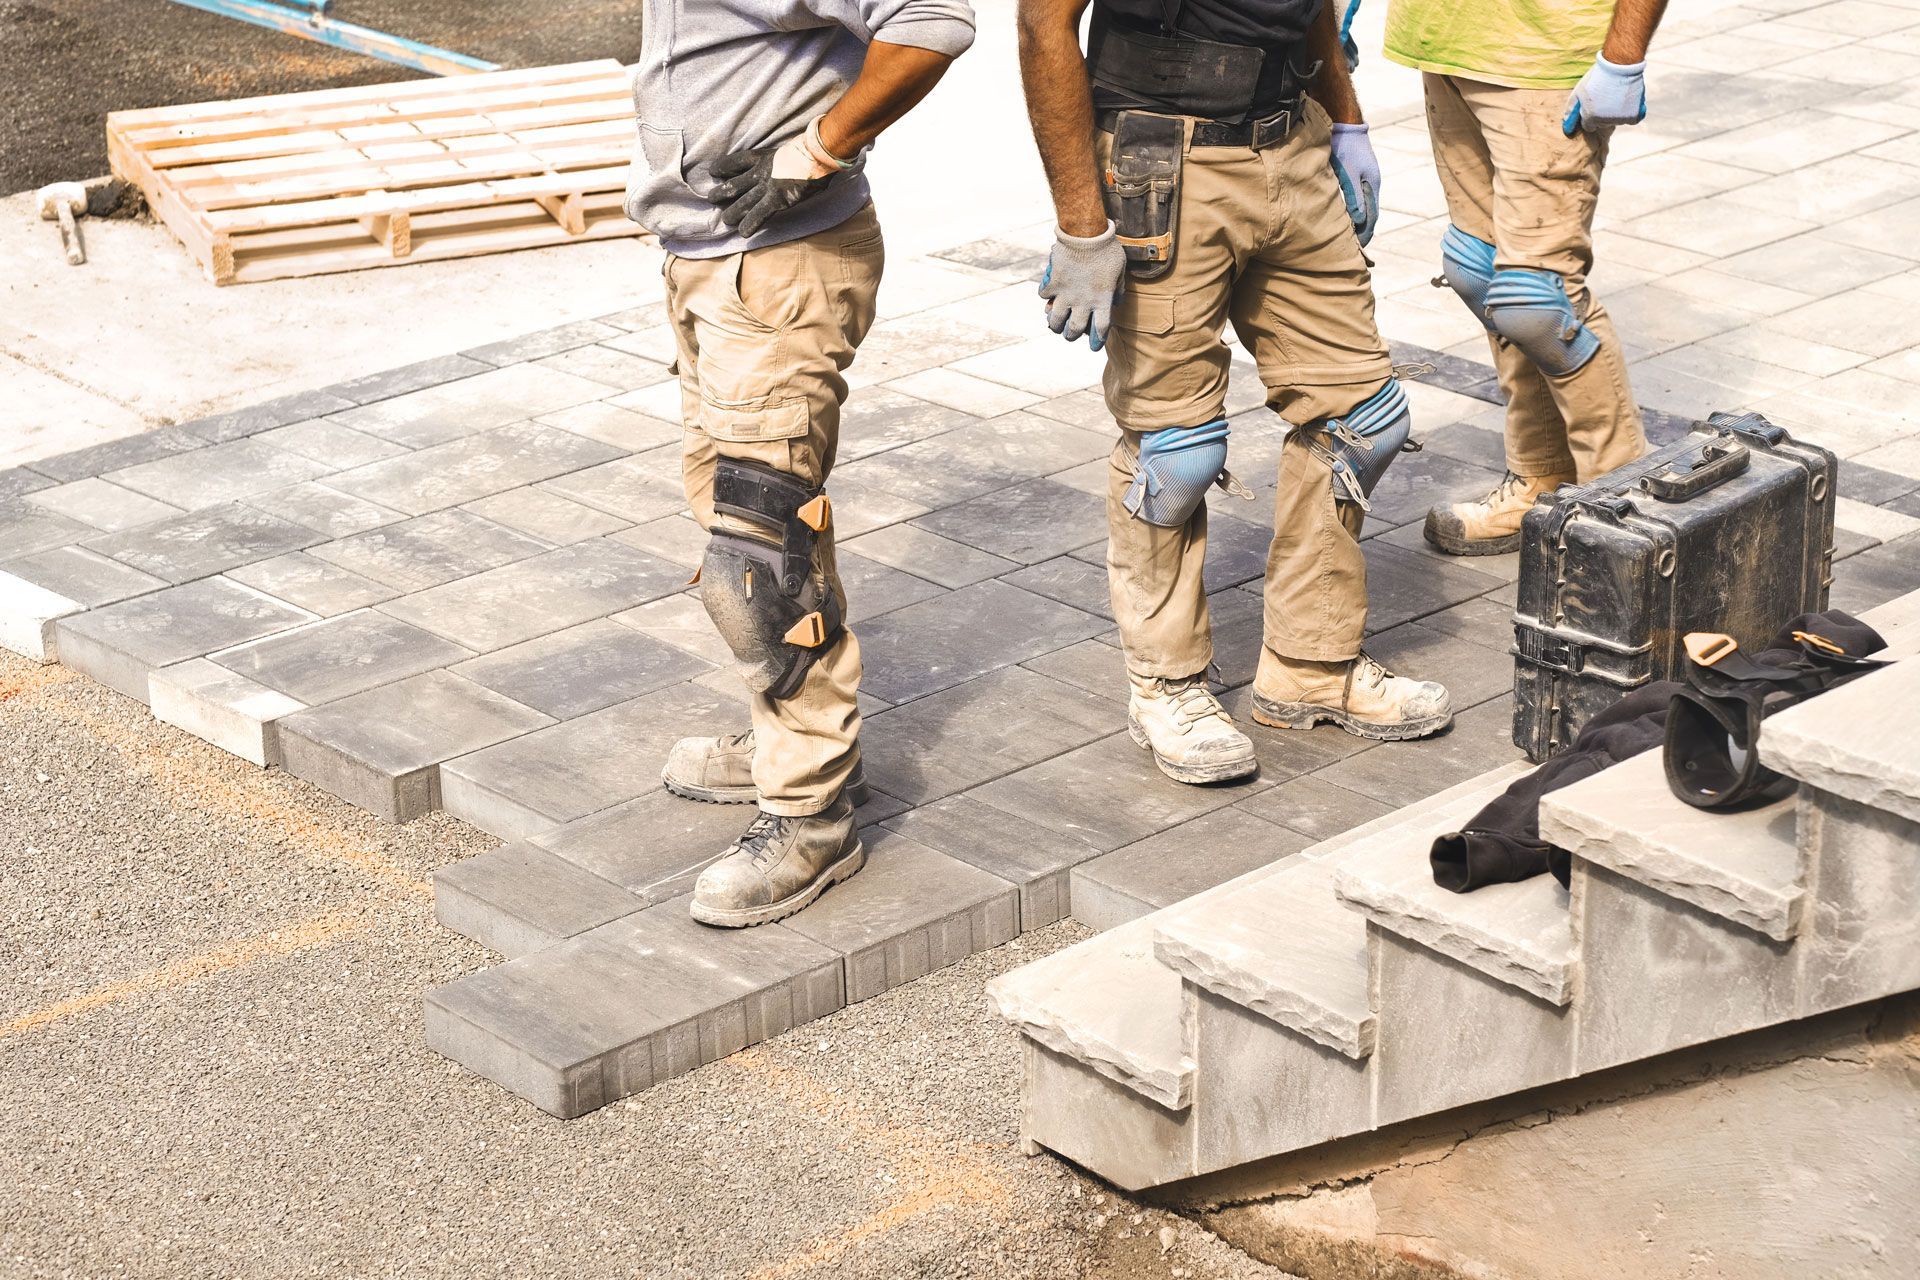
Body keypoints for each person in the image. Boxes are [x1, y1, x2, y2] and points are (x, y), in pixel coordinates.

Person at [1016, 0, 1454, 785]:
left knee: (1364, 417)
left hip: (1294, 138)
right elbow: (1042, 24)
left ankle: (1311, 665)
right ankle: (1167, 685)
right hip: (1162, 159)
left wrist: (1347, 122)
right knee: (1173, 451)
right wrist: (1082, 225)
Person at [628, 0, 974, 927]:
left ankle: (811, 815)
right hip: (713, 260)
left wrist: (816, 147)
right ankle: (795, 737)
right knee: (739, 525)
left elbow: (933, 20)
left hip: (778, 263)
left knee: (761, 558)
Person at [1395, 0, 1668, 556]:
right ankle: (1541, 478)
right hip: (1442, 38)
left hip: (1542, 54)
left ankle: (1622, 512)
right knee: (1478, 267)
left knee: (1538, 300)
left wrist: (1623, 57)